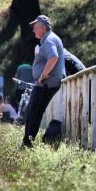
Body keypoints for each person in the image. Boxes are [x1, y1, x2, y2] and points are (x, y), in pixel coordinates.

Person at [22, 15, 66, 148]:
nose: (33, 30)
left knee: (33, 113)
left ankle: (27, 144)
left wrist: (42, 76)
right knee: (34, 112)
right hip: (47, 84)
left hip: (45, 84)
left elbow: (53, 57)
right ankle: (28, 142)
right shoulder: (51, 38)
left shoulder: (48, 40)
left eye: (35, 27)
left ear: (42, 27)